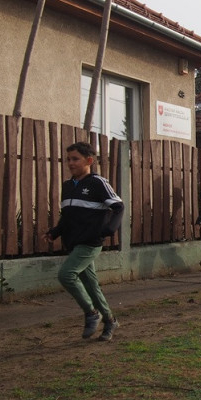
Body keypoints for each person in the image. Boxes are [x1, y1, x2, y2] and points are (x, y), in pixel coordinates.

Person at [44, 142, 124, 342]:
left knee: (66, 274)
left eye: (75, 159)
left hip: (90, 242)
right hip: (74, 242)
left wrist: (109, 229)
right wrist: (55, 232)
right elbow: (67, 216)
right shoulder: (67, 186)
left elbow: (119, 207)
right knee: (91, 286)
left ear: (89, 160)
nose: (70, 163)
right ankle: (110, 320)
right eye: (68, 159)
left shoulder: (98, 183)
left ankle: (91, 313)